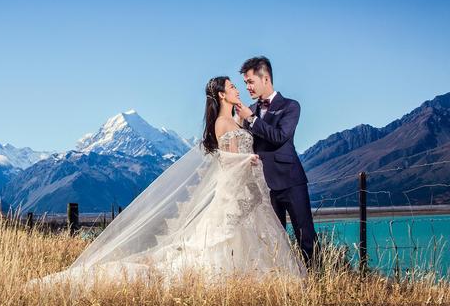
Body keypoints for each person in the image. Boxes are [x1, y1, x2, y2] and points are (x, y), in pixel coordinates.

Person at [25, 76, 306, 291]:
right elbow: (229, 162)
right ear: (222, 95)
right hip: (234, 193)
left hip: (245, 193)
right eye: (232, 87)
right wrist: (249, 160)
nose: (237, 90)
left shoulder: (234, 121)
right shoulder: (223, 124)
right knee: (224, 239)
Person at [235, 56, 317, 266]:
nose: (248, 87)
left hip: (290, 181)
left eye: (250, 82)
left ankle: (317, 282)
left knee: (305, 237)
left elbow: (280, 136)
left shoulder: (290, 106)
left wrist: (251, 120)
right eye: (245, 83)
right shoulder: (249, 110)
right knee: (273, 239)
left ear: (266, 78)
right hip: (262, 186)